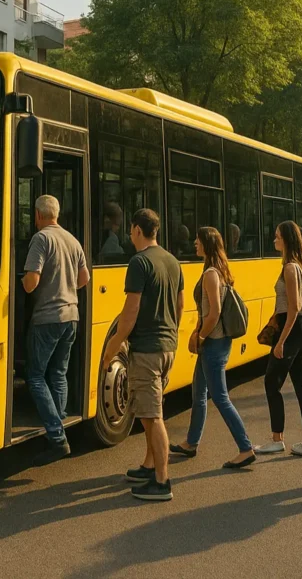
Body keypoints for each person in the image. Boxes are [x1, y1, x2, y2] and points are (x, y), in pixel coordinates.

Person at [101, 208, 183, 502]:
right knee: (150, 412)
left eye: (131, 230)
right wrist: (171, 334)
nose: (129, 235)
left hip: (147, 350)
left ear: (137, 230)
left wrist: (112, 348)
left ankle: (162, 481)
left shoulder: (139, 262)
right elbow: (180, 304)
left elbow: (130, 312)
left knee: (151, 416)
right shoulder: (171, 261)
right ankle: (149, 466)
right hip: (167, 347)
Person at [171, 227, 256, 469]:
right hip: (214, 341)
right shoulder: (217, 270)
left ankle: (245, 448)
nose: (194, 244)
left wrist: (200, 336)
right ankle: (191, 443)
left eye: (198, 241)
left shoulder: (210, 274)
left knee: (220, 397)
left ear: (207, 244)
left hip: (214, 342)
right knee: (198, 393)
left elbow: (214, 313)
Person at [22, 195, 89, 466]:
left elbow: (31, 282)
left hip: (47, 318)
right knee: (59, 373)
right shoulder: (72, 240)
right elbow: (84, 278)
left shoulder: (41, 239)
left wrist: (22, 280)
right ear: (56, 214)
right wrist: (65, 289)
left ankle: (57, 437)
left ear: (38, 215)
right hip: (71, 316)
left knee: (35, 376)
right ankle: (60, 424)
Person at [254, 220, 302, 457]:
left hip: (290, 330)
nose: (274, 239)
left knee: (271, 382)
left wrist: (281, 341)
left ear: (287, 240)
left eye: (278, 236)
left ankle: (277, 439)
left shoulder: (291, 268)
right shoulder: (296, 266)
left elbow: (294, 307)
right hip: (297, 331)